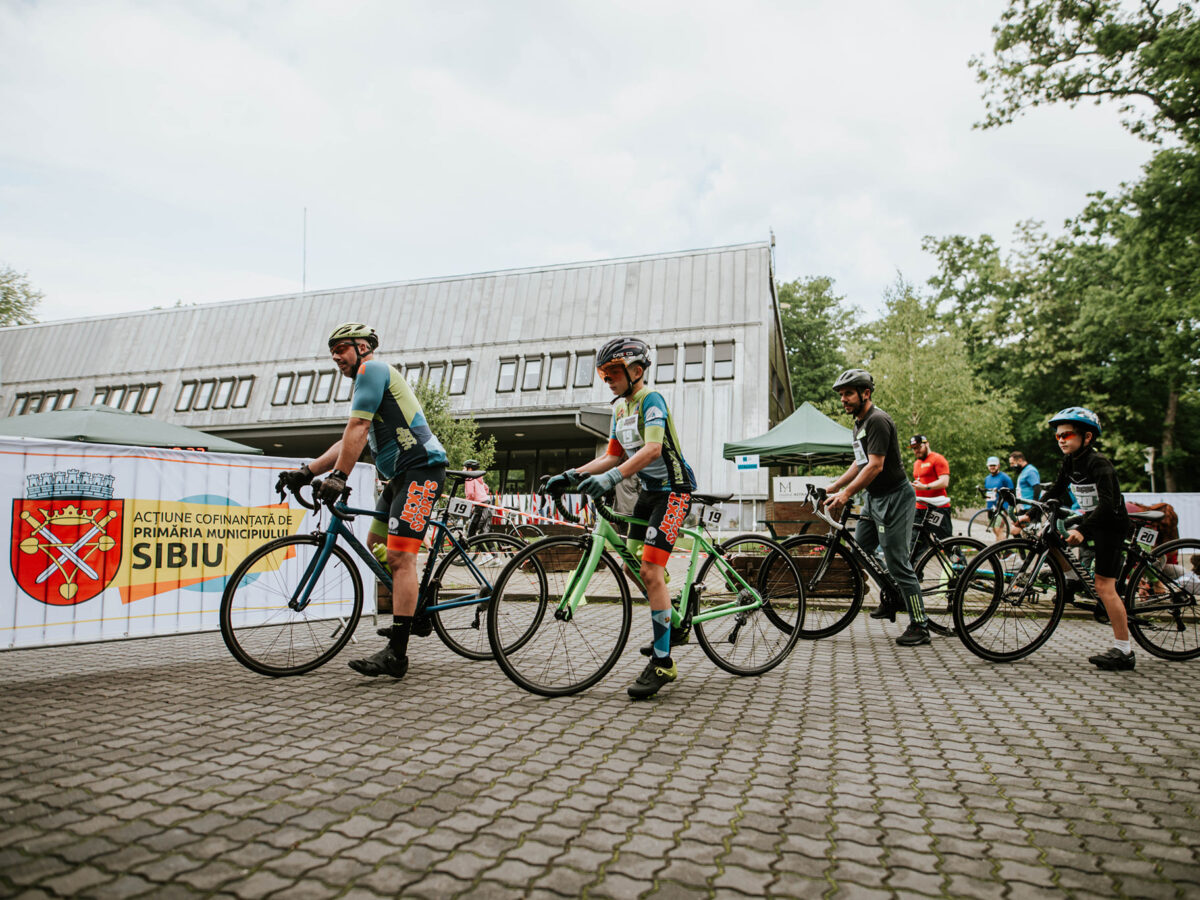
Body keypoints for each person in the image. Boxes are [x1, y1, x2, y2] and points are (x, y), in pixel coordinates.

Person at [277, 322, 447, 679]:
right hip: (401, 476)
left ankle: (397, 655)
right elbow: (349, 439)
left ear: (364, 347)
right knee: (376, 544)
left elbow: (356, 427)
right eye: (332, 352)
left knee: (401, 558)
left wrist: (338, 477)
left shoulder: (373, 370)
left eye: (341, 348)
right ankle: (414, 603)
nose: (336, 357)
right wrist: (306, 472)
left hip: (422, 470)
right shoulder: (365, 383)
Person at [544, 337, 697, 699]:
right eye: (604, 372)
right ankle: (673, 613)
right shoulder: (620, 410)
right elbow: (612, 456)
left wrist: (613, 479)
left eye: (614, 372)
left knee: (649, 571)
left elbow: (653, 448)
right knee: (632, 566)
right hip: (648, 493)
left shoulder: (651, 400)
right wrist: (573, 474)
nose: (608, 378)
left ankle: (663, 663)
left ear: (636, 371)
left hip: (674, 491)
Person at [825, 369, 931, 646]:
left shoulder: (878, 420)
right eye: (841, 395)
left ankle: (920, 625)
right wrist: (834, 487)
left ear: (866, 393)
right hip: (874, 498)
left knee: (897, 561)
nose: (843, 400)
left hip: (896, 497)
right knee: (860, 550)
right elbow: (860, 463)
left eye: (848, 393)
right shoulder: (859, 424)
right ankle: (892, 594)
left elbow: (876, 465)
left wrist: (847, 493)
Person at [1043, 407, 1133, 671]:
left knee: (1105, 587)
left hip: (1111, 524)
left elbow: (1108, 505)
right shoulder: (1071, 462)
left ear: (1088, 437)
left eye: (1067, 434)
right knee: (1049, 538)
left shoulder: (1099, 464)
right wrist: (1027, 513)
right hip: (1093, 520)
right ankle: (1071, 580)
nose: (1061, 440)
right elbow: (1056, 490)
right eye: (1058, 436)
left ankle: (1124, 651)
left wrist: (1083, 529)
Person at [909, 434, 953, 551]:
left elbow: (944, 482)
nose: (916, 450)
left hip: (937, 509)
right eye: (914, 448)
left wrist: (925, 487)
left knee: (945, 541)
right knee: (915, 543)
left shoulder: (937, 459)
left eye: (919, 447)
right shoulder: (916, 463)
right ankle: (916, 568)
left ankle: (960, 567)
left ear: (927, 444)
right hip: (920, 508)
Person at [1008, 451, 1040, 535]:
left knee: (1029, 534)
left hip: (1030, 507)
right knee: (1014, 530)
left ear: (1020, 460)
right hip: (1024, 507)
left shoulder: (1030, 471)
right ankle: (1022, 547)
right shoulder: (1023, 471)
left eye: (1012, 463)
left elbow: (1037, 488)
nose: (1011, 466)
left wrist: (1034, 506)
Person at [983, 456, 1014, 543]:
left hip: (1002, 507)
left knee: (998, 529)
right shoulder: (987, 478)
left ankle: (1005, 551)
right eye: (990, 465)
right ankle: (1000, 552)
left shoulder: (1005, 478)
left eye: (994, 465)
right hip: (990, 507)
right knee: (994, 530)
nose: (992, 467)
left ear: (998, 465)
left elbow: (1011, 492)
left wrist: (1008, 506)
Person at [462, 459, 492, 535]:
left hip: (479, 506)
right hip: (486, 504)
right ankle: (490, 547)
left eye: (464, 468)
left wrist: (470, 505)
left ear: (470, 469)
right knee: (483, 531)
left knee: (472, 531)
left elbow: (470, 494)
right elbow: (486, 488)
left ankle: (476, 545)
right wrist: (481, 495)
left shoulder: (469, 478)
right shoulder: (479, 478)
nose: (462, 470)